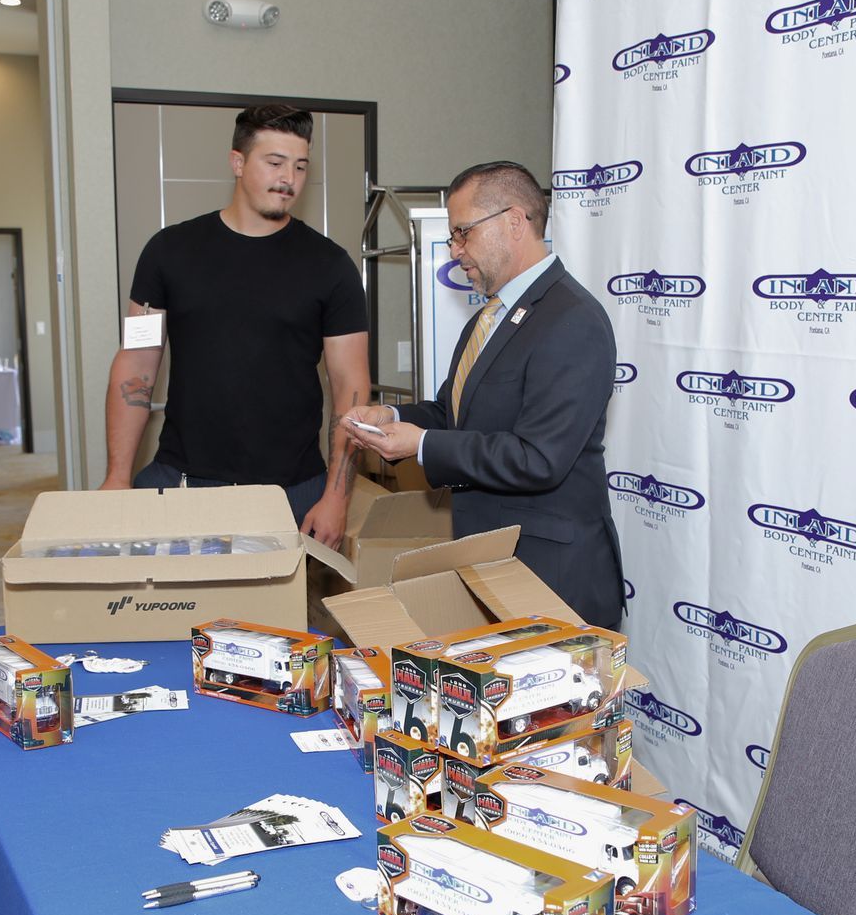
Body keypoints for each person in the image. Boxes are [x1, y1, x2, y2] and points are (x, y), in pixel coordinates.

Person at [342, 161, 624, 628]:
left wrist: (421, 445)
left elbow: (539, 458)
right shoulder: (488, 319)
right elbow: (454, 414)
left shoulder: (572, 320)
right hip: (493, 565)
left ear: (514, 222)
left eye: (463, 233)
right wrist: (389, 415)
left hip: (552, 579)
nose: (454, 251)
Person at [100, 104, 371, 546]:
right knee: (173, 613)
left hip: (292, 492)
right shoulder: (168, 252)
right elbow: (136, 364)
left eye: (300, 166)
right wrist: (117, 476)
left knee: (276, 618)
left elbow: (351, 387)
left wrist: (337, 498)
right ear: (238, 162)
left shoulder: (331, 266)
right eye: (275, 162)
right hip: (184, 481)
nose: (288, 179)